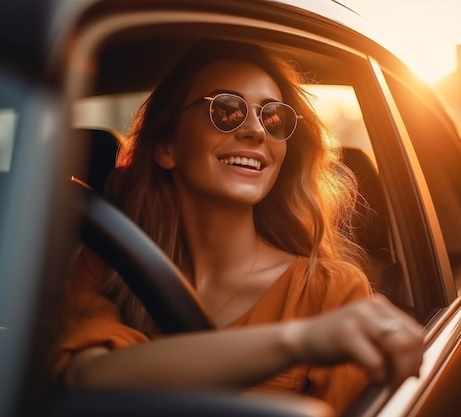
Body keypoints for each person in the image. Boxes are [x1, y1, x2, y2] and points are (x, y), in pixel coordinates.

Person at [51, 39, 424, 415]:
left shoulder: (329, 292)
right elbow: (86, 377)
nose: (256, 131)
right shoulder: (107, 268)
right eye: (227, 110)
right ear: (166, 146)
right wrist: (301, 341)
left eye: (273, 117)